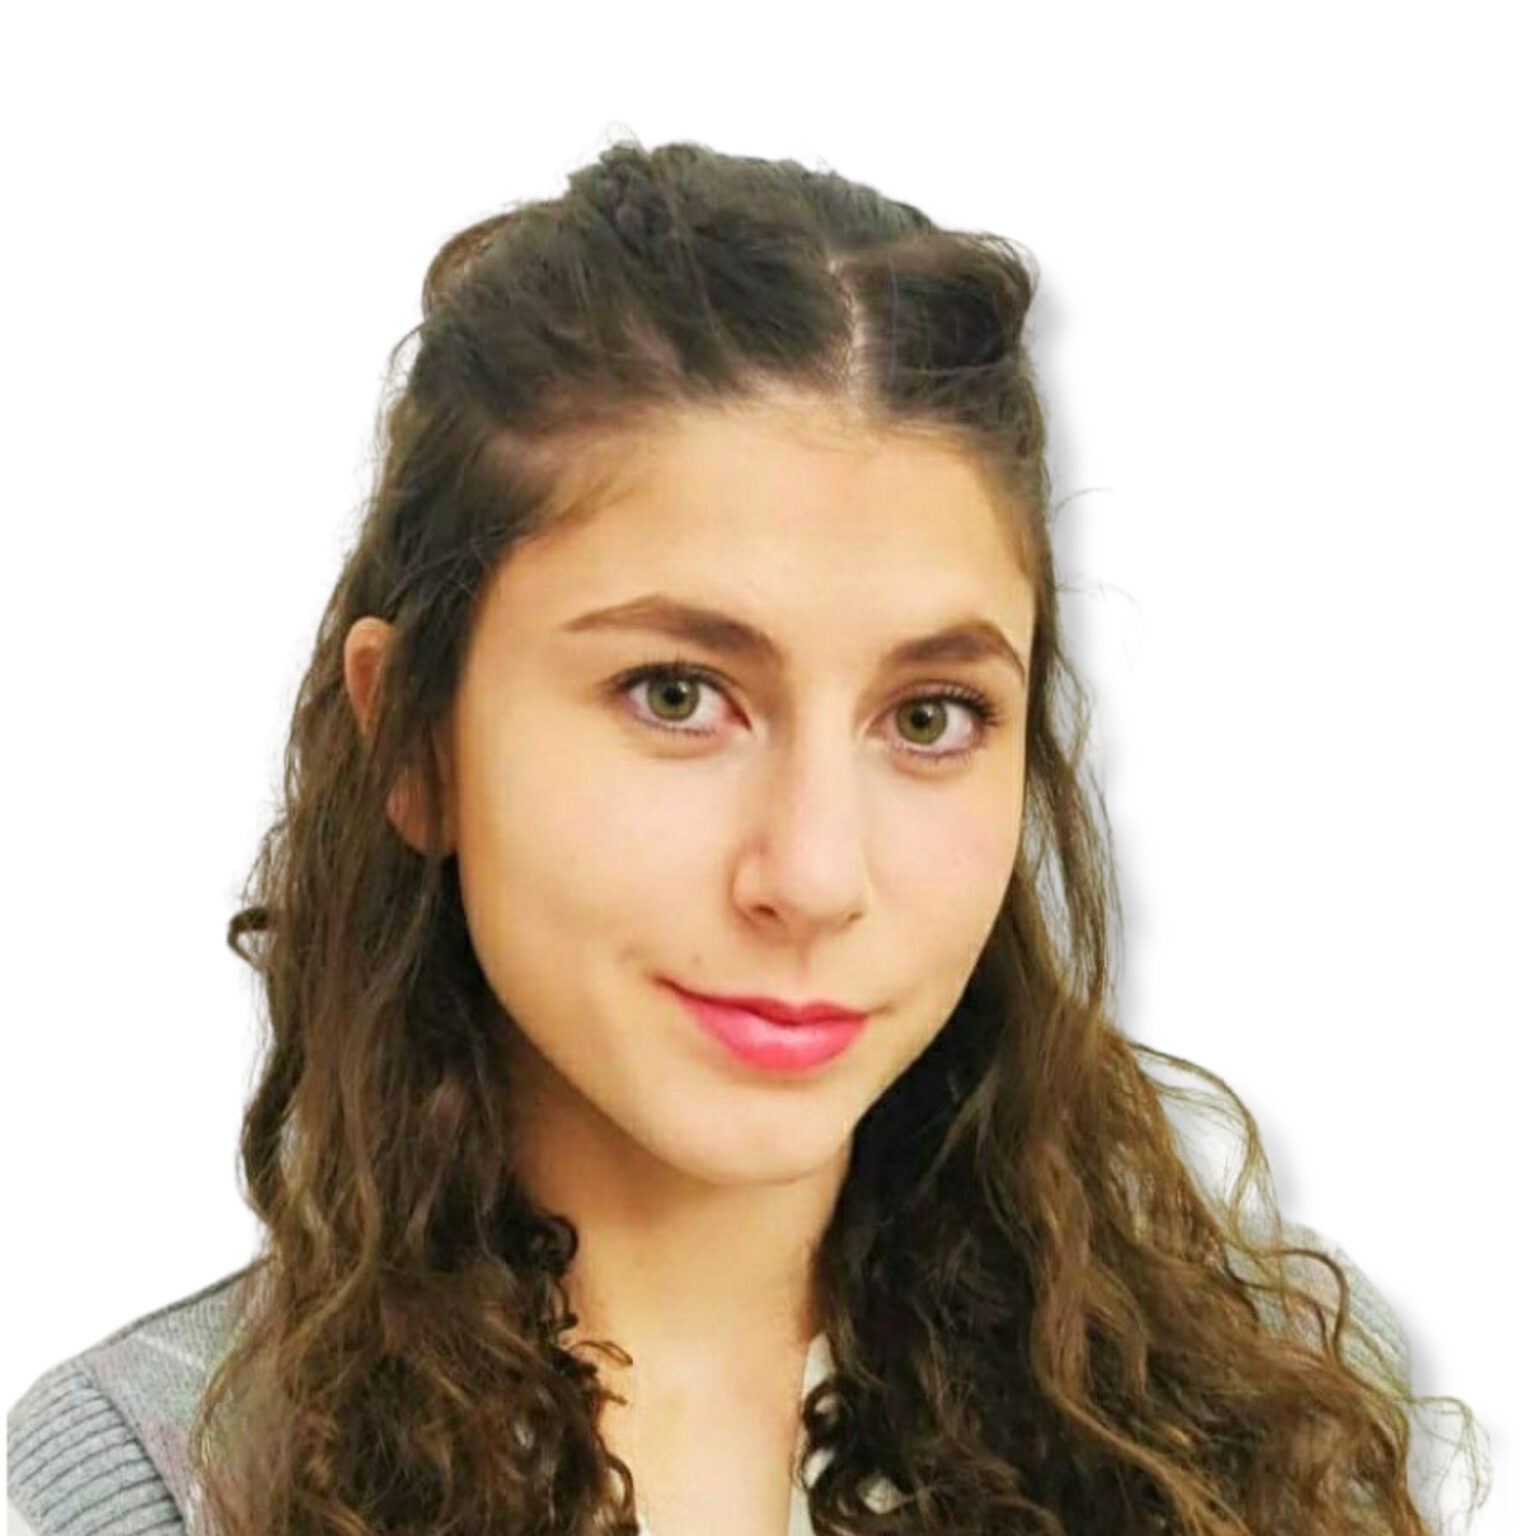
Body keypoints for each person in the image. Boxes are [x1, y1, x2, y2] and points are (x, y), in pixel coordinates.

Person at [7, 137, 1486, 1536]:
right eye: (678, 695)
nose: (815, 876)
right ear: (415, 743)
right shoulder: (149, 1488)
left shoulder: (1233, 1457)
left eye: (928, 719)